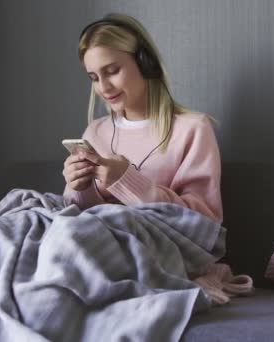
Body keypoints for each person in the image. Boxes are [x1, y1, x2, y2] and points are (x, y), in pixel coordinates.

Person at [63, 13, 223, 223]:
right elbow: (77, 216)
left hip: (157, 246)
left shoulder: (192, 129)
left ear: (145, 64)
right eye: (94, 78)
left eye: (112, 71)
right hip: (97, 236)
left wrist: (128, 182)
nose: (103, 88)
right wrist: (79, 189)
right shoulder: (95, 131)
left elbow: (205, 222)